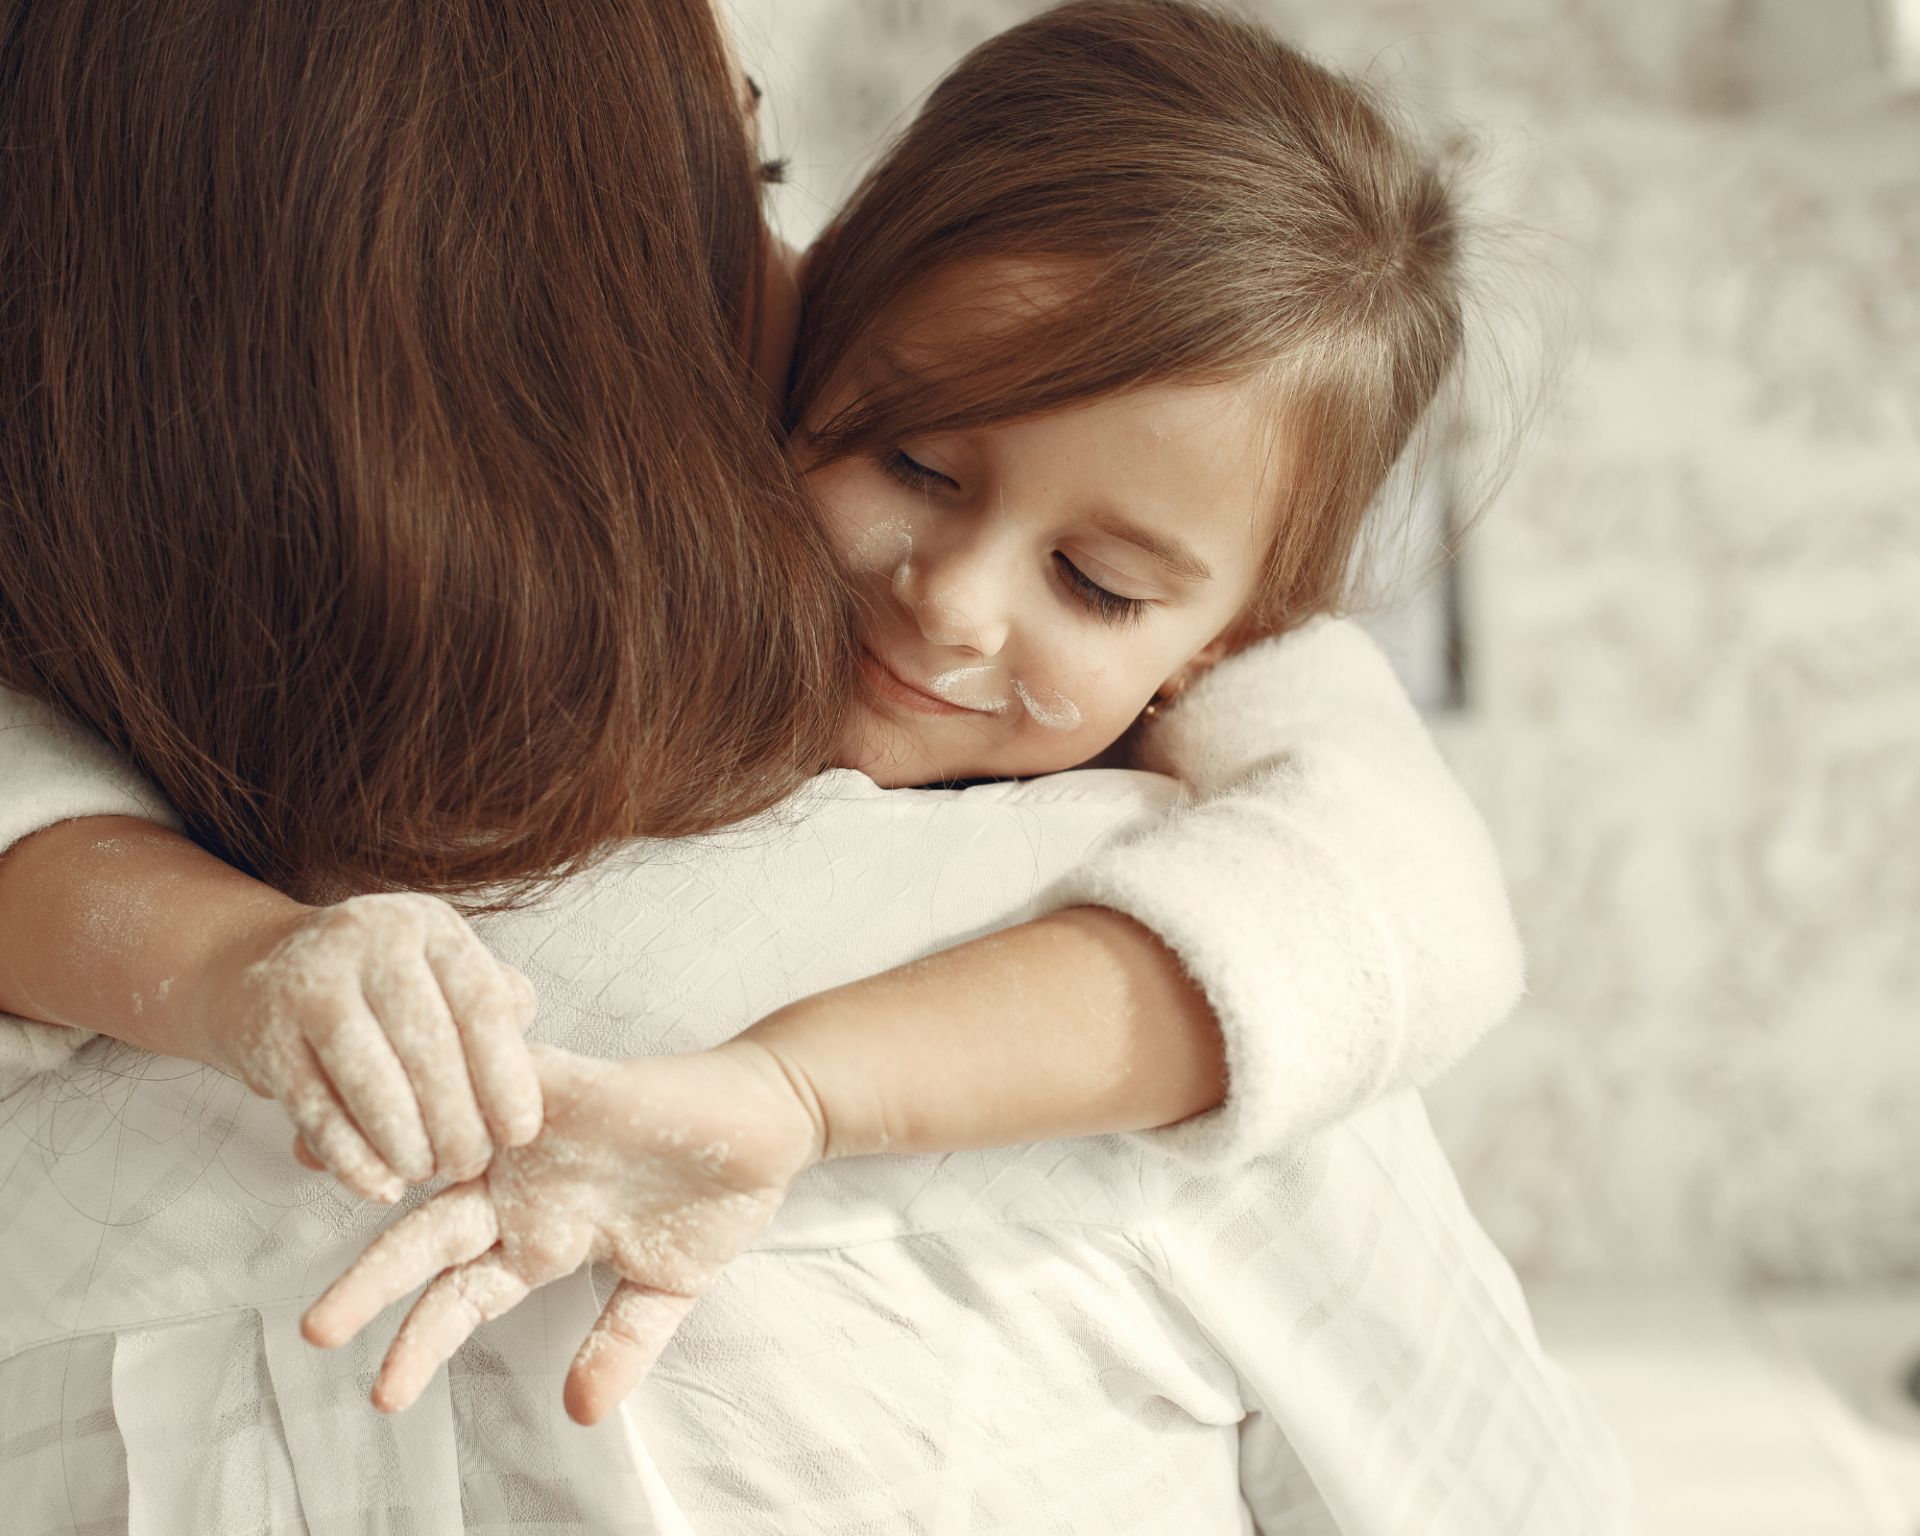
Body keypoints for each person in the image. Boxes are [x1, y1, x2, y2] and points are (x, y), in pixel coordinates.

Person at [0, 0, 1554, 1525]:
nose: (953, 603)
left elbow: (1388, 886)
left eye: (1100, 586)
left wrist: (801, 1092)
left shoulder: (1175, 841)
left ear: (1220, 641)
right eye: (918, 462)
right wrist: (237, 964)